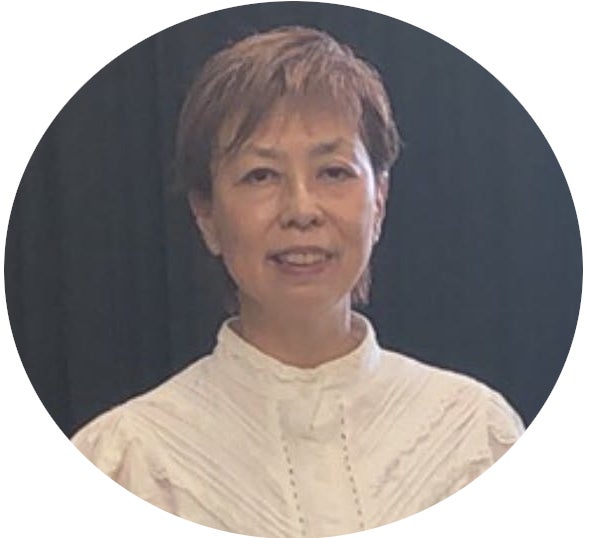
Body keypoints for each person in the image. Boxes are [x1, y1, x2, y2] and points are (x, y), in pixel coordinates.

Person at [72, 26, 524, 537]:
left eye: (333, 172)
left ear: (379, 200)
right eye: (261, 175)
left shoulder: (476, 438)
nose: (302, 210)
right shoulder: (126, 462)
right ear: (206, 215)